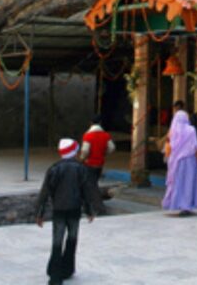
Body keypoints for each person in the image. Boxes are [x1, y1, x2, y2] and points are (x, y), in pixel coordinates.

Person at [35, 138, 98, 285]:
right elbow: (86, 191)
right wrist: (90, 210)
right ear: (74, 152)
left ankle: (55, 276)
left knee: (57, 242)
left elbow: (44, 192)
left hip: (59, 209)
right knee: (72, 239)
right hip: (74, 209)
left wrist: (40, 213)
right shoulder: (81, 168)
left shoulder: (54, 168)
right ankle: (67, 269)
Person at [162, 110, 197, 216]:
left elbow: (168, 146)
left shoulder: (172, 131)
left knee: (177, 183)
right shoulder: (191, 130)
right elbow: (196, 146)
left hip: (175, 162)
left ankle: (176, 203)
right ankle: (186, 206)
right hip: (189, 161)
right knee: (188, 184)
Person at [80, 114, 115, 213]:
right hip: (100, 163)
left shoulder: (88, 135)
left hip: (89, 163)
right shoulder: (106, 135)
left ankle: (99, 207)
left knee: (91, 185)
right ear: (100, 123)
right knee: (93, 183)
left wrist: (82, 159)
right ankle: (89, 204)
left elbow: (85, 151)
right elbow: (111, 148)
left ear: (90, 123)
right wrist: (104, 153)